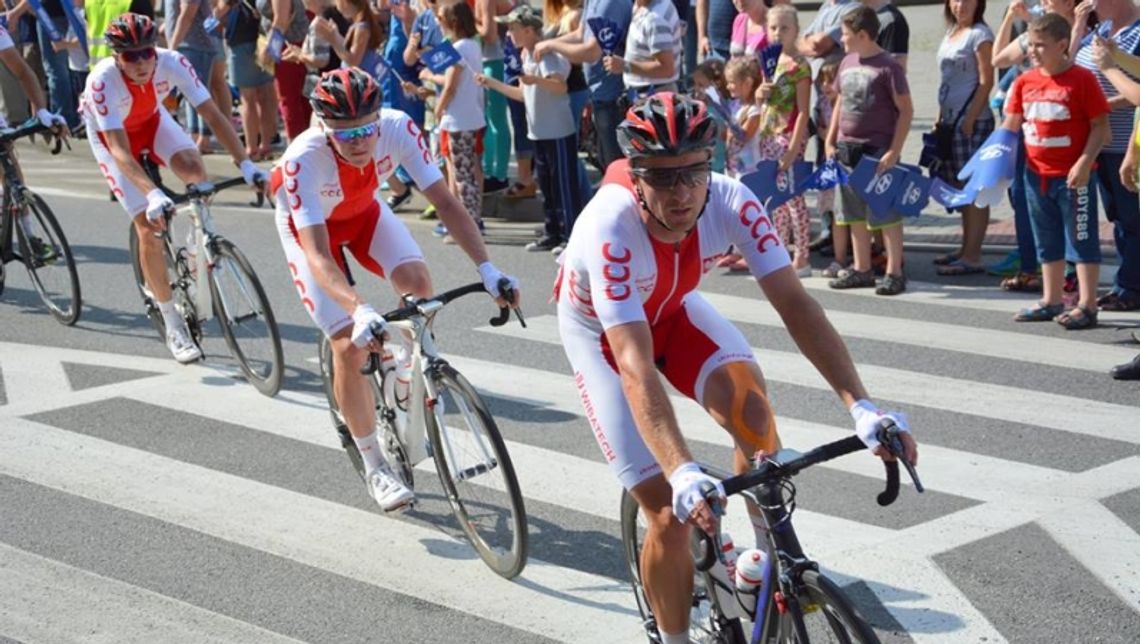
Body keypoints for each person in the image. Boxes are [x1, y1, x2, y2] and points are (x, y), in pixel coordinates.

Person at [554, 93, 917, 644]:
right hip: (603, 340)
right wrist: (680, 469)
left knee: (754, 415)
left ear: (711, 163)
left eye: (693, 173)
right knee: (670, 517)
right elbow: (632, 360)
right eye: (661, 177)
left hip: (672, 312)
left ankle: (763, 575)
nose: (681, 193)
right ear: (635, 175)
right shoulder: (611, 224)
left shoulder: (731, 199)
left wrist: (861, 405)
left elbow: (796, 305)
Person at [269, 67, 519, 511]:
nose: (360, 141)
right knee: (348, 345)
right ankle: (375, 466)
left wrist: (487, 268)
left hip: (364, 214)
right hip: (312, 234)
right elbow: (319, 257)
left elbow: (445, 202)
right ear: (324, 127)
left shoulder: (397, 127)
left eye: (366, 129)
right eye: (346, 135)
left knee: (419, 287)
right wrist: (360, 307)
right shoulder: (302, 159)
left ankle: (407, 374)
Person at [82, 13, 267, 363]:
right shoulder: (102, 81)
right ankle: (172, 323)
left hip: (152, 121)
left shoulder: (173, 62)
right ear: (116, 57)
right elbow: (120, 151)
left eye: (146, 52)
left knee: (195, 170)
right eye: (130, 55)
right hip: (114, 139)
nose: (141, 62)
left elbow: (213, 114)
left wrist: (245, 163)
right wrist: (151, 193)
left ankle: (198, 243)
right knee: (149, 229)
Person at [1007, 13, 1109, 329]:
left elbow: (1099, 126)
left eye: (1041, 45)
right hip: (1035, 175)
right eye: (1030, 44)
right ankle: (1051, 300)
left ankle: (1088, 304)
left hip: (1073, 177)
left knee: (1081, 238)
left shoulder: (1081, 80)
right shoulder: (1025, 81)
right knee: (1046, 238)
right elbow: (1011, 126)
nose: (1033, 51)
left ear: (1062, 45)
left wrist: (1084, 162)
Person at [478, 4, 581, 254]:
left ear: (528, 30)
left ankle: (571, 235)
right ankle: (552, 231)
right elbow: (523, 94)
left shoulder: (547, 54)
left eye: (513, 29)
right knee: (546, 184)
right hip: (539, 131)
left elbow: (560, 87)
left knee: (563, 185)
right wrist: (492, 83)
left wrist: (535, 80)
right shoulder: (526, 54)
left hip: (557, 130)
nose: (509, 34)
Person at [824, 6, 912, 296]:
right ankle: (862, 268)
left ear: (863, 35)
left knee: (884, 213)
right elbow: (840, 101)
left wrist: (894, 151)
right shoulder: (847, 62)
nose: (842, 39)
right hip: (848, 149)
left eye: (846, 35)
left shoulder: (888, 66)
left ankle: (894, 271)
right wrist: (831, 138)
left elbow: (906, 110)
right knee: (853, 214)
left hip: (877, 152)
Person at [1074, 0, 1140, 313]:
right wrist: (1077, 27)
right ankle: (1125, 283)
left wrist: (1101, 105)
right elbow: (1071, 64)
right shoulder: (1100, 28)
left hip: (1129, 141)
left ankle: (1130, 288)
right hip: (1103, 142)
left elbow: (1137, 93)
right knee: (1119, 217)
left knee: (1132, 219)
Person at [930, 0, 995, 277]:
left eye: (968, 0)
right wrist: (940, 114)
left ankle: (973, 254)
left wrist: (971, 116)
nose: (961, 5)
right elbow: (947, 80)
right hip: (950, 119)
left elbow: (986, 79)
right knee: (960, 188)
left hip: (972, 123)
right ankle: (965, 247)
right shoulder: (952, 31)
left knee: (975, 190)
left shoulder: (980, 34)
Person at [530, 0, 631, 171]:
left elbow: (592, 52)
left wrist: (552, 45)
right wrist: (547, 44)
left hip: (613, 98)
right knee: (608, 161)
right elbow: (581, 34)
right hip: (600, 94)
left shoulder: (610, 3)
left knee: (617, 166)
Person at [419, 0, 485, 243]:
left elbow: (451, 84)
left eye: (441, 18)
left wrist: (440, 106)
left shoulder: (458, 47)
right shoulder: (471, 45)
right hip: (469, 116)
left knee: (462, 175)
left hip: (459, 119)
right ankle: (473, 222)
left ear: (453, 21)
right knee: (468, 171)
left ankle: (470, 228)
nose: (438, 22)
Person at [757, 4, 811, 277]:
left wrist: (793, 149)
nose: (778, 33)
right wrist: (760, 93)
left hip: (789, 134)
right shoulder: (768, 61)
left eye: (785, 28)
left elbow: (803, 110)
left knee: (793, 195)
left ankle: (802, 253)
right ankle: (780, 248)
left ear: (796, 31)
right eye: (774, 27)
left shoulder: (800, 66)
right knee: (775, 197)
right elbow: (761, 101)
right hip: (768, 134)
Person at [220, 0, 279, 161]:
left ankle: (252, 148)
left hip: (241, 39)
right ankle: (266, 146)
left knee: (248, 98)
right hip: (264, 37)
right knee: (265, 95)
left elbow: (220, 9)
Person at [603, 0, 682, 100]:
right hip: (644, 94)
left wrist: (625, 66)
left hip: (654, 98)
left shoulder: (655, 20)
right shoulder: (641, 5)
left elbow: (666, 69)